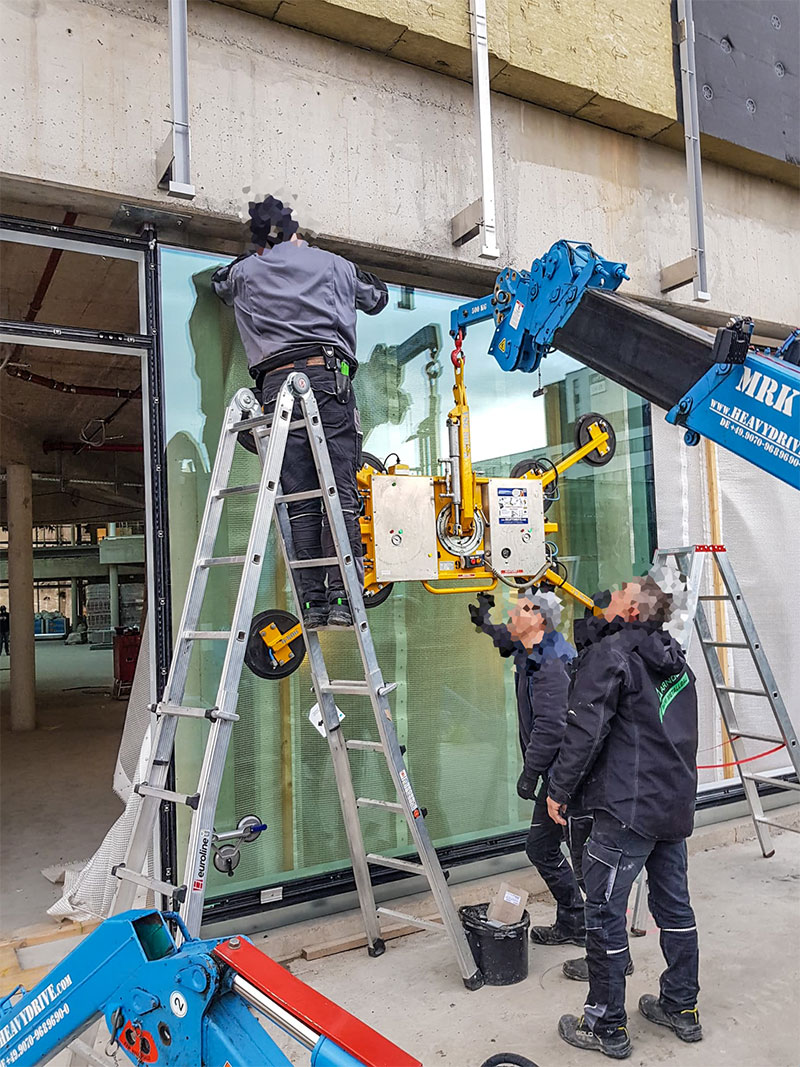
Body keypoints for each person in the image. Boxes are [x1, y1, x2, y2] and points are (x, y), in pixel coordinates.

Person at [212, 196, 388, 628]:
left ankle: (311, 606)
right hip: (327, 383)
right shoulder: (332, 264)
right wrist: (307, 254)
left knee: (302, 504)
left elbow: (219, 283)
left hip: (277, 394)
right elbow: (378, 297)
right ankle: (344, 600)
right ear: (297, 231)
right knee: (339, 498)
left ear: (257, 243)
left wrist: (262, 257)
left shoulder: (245, 271)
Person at [547, 574, 701, 1060]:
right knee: (674, 908)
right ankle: (682, 1007)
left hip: (627, 810)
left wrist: (559, 790)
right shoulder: (674, 660)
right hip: (671, 807)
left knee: (604, 913)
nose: (606, 596)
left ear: (631, 611)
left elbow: (585, 733)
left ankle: (605, 1024)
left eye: (617, 594)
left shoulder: (610, 656)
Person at [469, 588, 587, 946]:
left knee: (582, 863)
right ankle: (575, 923)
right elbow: (507, 638)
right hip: (555, 773)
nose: (511, 616)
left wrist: (530, 772)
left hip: (565, 776)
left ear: (539, 618)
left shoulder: (550, 662)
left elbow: (552, 727)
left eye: (518, 610)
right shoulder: (533, 646)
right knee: (542, 848)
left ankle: (603, 945)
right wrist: (485, 623)